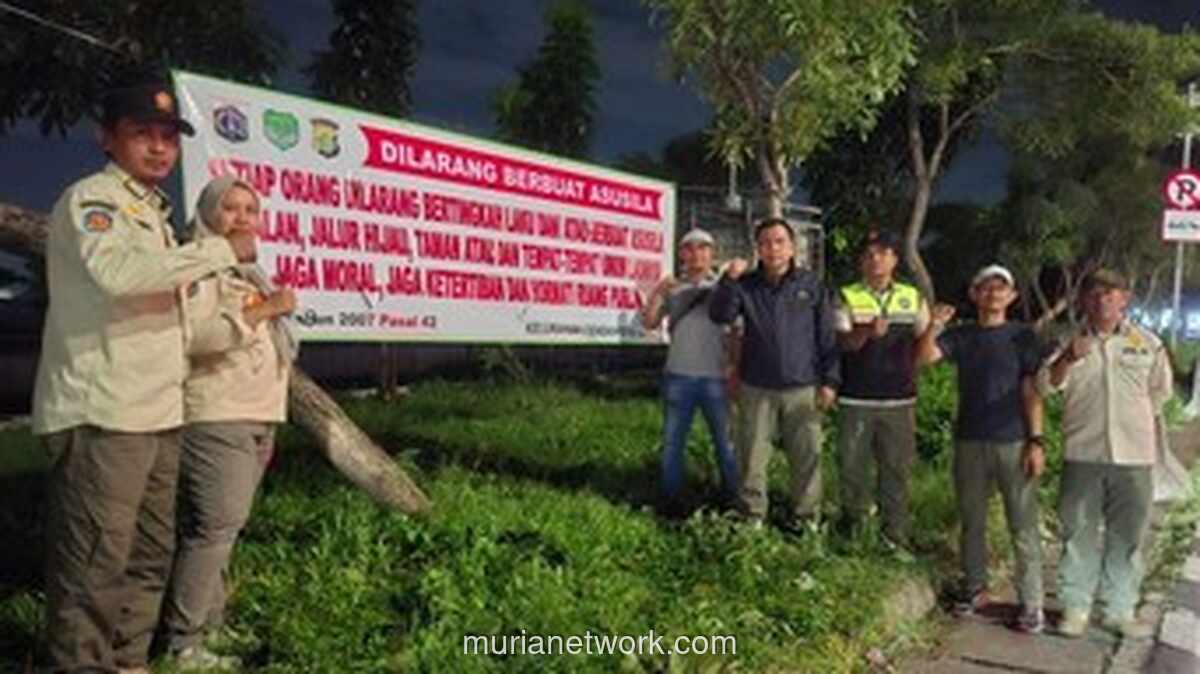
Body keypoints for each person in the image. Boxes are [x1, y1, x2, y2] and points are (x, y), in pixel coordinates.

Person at [32, 83, 257, 674]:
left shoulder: (153, 215)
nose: (159, 148)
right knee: (94, 564)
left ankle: (129, 661)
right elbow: (121, 275)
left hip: (157, 411)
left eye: (168, 138)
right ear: (107, 138)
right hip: (105, 411)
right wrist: (218, 251)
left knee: (148, 554)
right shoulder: (93, 200)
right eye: (142, 134)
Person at [160, 177, 298, 667]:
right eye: (230, 207)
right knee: (213, 529)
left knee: (223, 528)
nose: (242, 217)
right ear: (207, 213)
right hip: (217, 415)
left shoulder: (246, 271)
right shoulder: (196, 265)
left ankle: (211, 626)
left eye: (250, 209)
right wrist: (266, 311)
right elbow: (196, 337)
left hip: (255, 414)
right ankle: (184, 643)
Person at [1037, 269, 1172, 639]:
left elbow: (1160, 392)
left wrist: (1135, 421)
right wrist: (1067, 358)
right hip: (1084, 451)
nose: (1102, 301)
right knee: (1077, 533)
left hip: (1135, 455)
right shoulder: (1066, 340)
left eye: (1111, 293)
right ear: (1084, 300)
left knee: (1127, 537)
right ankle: (1075, 607)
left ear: (1124, 299)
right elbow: (1045, 386)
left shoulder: (1148, 343)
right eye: (1095, 294)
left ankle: (1119, 608)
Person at [915, 264, 1046, 633]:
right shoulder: (962, 335)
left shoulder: (1022, 336)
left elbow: (1032, 390)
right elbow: (924, 357)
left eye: (1000, 288)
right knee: (972, 521)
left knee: (1022, 524)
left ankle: (1031, 601)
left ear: (1012, 296)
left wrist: (1036, 441)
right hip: (969, 440)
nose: (993, 294)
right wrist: (934, 325)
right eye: (986, 288)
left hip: (1013, 441)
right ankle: (975, 589)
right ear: (974, 295)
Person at [709, 217, 839, 528]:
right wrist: (728, 280)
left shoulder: (812, 286)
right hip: (757, 386)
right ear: (758, 249)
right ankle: (752, 517)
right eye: (766, 243)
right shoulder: (746, 285)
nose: (773, 249)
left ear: (792, 248)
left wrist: (830, 381)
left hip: (803, 386)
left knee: (807, 456)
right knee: (752, 457)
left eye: (780, 242)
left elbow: (826, 337)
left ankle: (806, 520)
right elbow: (720, 314)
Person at [834, 229, 928, 551]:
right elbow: (841, 343)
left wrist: (936, 328)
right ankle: (855, 534)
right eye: (869, 255)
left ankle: (894, 537)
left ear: (894, 260)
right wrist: (866, 332)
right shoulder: (847, 295)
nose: (876, 260)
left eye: (883, 253)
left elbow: (924, 347)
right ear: (861, 262)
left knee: (896, 471)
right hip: (855, 398)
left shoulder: (912, 297)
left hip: (899, 400)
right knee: (852, 469)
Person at [641, 228, 739, 517]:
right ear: (682, 254)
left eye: (703, 248)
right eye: (690, 248)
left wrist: (734, 368)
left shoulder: (724, 287)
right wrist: (658, 292)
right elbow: (649, 322)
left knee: (726, 444)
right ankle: (670, 501)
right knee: (673, 443)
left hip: (716, 378)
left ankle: (735, 499)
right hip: (678, 376)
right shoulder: (674, 288)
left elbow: (736, 332)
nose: (696, 254)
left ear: (712, 254)